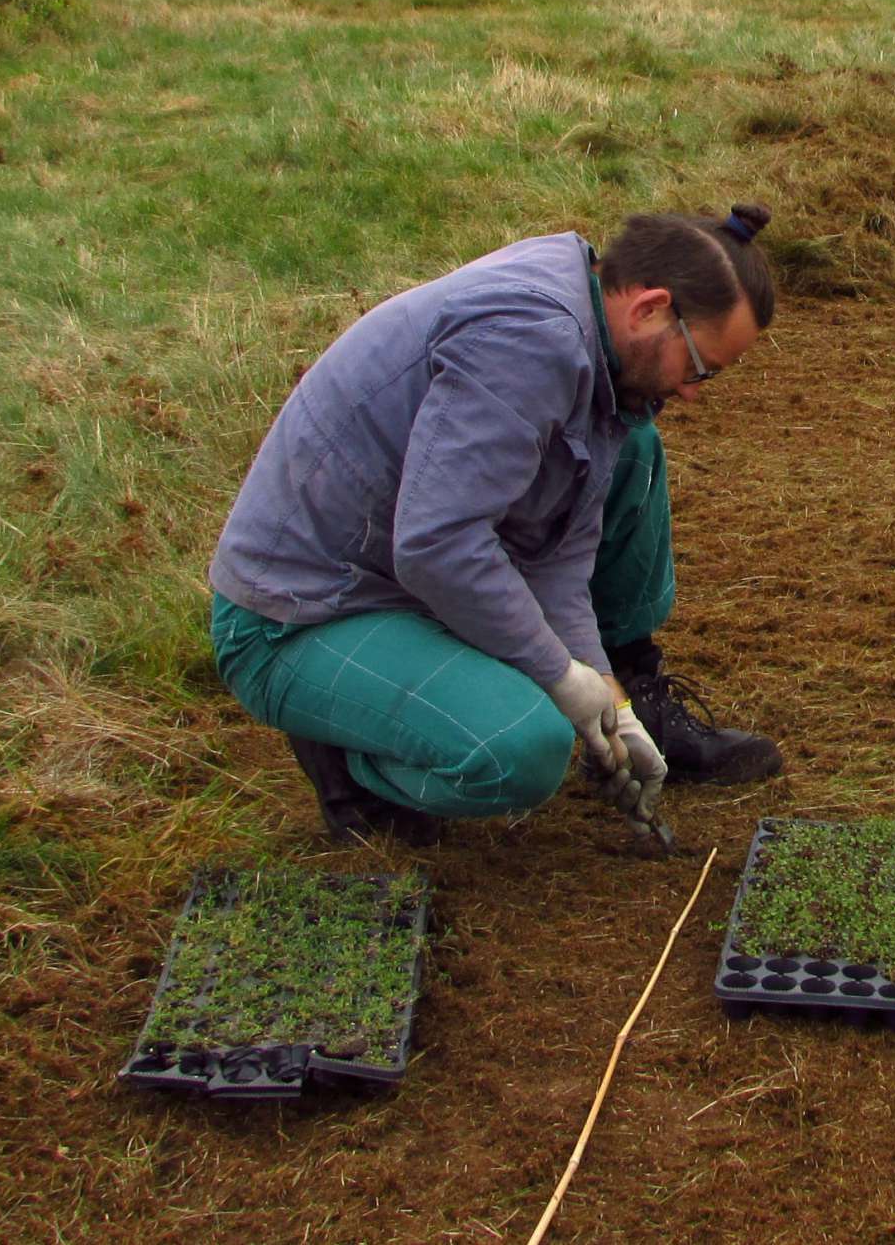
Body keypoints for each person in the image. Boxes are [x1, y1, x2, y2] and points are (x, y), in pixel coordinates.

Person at [207, 205, 786, 848]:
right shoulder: (530, 340)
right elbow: (438, 545)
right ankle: (348, 761)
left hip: (397, 575)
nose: (692, 392)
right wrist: (560, 678)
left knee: (637, 451)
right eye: (700, 367)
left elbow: (557, 554)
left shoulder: (595, 329)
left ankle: (445, 688)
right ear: (650, 307)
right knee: (521, 750)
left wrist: (610, 703)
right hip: (298, 614)